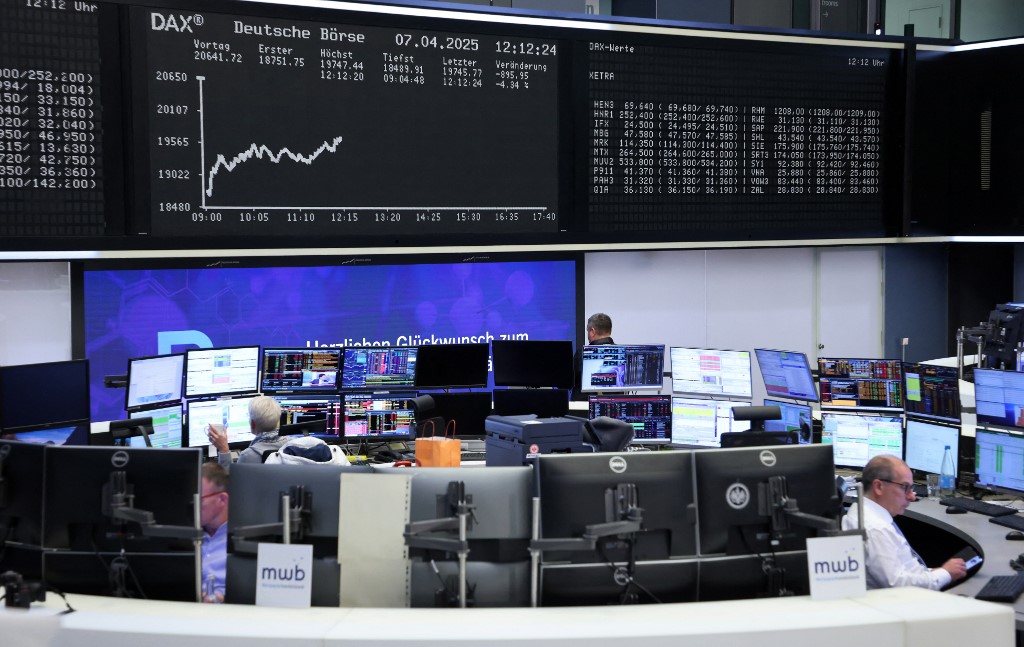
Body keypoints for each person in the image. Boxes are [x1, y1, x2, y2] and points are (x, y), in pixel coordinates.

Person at [841, 454, 967, 590]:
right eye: (905, 487)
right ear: (878, 487)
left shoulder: (861, 510)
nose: (912, 497)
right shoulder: (876, 529)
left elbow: (901, 570)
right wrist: (946, 573)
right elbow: (898, 586)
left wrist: (932, 573)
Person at [208, 395, 289, 470]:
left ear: (252, 424)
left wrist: (224, 450)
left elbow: (230, 479)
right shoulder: (291, 444)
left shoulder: (248, 455)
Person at [200, 461, 229, 603]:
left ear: (221, 499)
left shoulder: (246, 540)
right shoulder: (185, 538)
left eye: (200, 500)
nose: (193, 506)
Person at [573, 312, 614, 399]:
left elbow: (569, 381)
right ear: (609, 331)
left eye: (588, 331)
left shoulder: (582, 353)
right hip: (615, 406)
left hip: (584, 406)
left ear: (592, 331)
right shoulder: (623, 353)